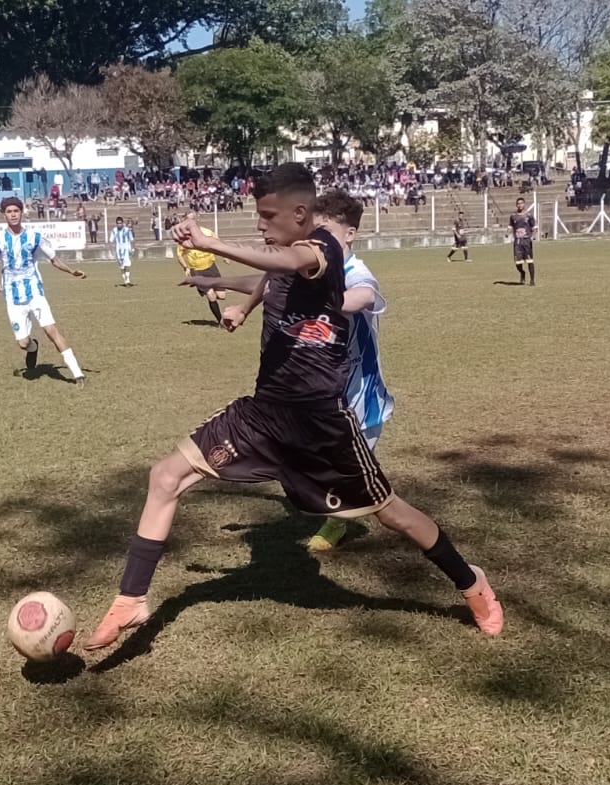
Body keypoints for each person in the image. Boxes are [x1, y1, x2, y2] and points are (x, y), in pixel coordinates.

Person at [84, 164, 501, 653]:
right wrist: (239, 303)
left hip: (321, 424)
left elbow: (294, 263)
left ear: (300, 213)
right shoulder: (284, 251)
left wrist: (209, 244)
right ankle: (131, 598)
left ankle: (471, 582)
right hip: (262, 414)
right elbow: (270, 273)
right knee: (165, 477)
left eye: (267, 215)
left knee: (392, 514)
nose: (260, 225)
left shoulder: (322, 246)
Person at [186, 190, 395, 553]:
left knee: (356, 475)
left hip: (359, 392)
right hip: (317, 387)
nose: (320, 238)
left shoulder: (357, 272)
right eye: (317, 229)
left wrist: (316, 298)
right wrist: (216, 283)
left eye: (328, 229)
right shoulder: (310, 265)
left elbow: (358, 297)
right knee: (313, 458)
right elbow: (269, 284)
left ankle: (338, 523)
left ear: (349, 234)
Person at [0, 197, 88, 385]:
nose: (13, 214)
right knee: (23, 343)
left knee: (51, 330)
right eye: (9, 211)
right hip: (13, 297)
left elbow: (54, 258)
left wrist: (71, 271)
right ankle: (33, 348)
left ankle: (77, 373)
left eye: (16, 211)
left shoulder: (35, 237)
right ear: (4, 215)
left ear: (21, 212)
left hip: (34, 292)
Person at [176, 211, 226, 322]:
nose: (191, 221)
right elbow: (179, 254)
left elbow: (219, 244)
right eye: (188, 219)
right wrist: (186, 267)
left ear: (197, 219)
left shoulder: (207, 232)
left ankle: (205, 290)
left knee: (221, 296)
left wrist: (225, 256)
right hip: (197, 270)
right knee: (210, 294)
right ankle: (220, 321)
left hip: (211, 267)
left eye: (193, 219)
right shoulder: (184, 237)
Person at [509, 197, 535, 285]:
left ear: (524, 204)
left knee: (530, 261)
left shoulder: (529, 215)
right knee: (517, 263)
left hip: (527, 241)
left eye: (521, 203)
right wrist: (507, 233)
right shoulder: (513, 216)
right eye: (518, 203)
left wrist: (533, 236)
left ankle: (532, 280)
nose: (520, 205)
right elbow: (510, 226)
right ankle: (522, 273)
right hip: (517, 242)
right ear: (516, 205)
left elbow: (534, 227)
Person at [110, 216, 134, 287]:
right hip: (118, 251)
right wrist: (112, 250)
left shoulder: (127, 230)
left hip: (126, 249)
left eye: (120, 223)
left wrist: (133, 249)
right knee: (122, 267)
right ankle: (125, 280)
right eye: (118, 223)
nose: (119, 225)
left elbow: (132, 239)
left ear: (123, 223)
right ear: (116, 224)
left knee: (127, 265)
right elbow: (111, 241)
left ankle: (127, 281)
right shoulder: (114, 230)